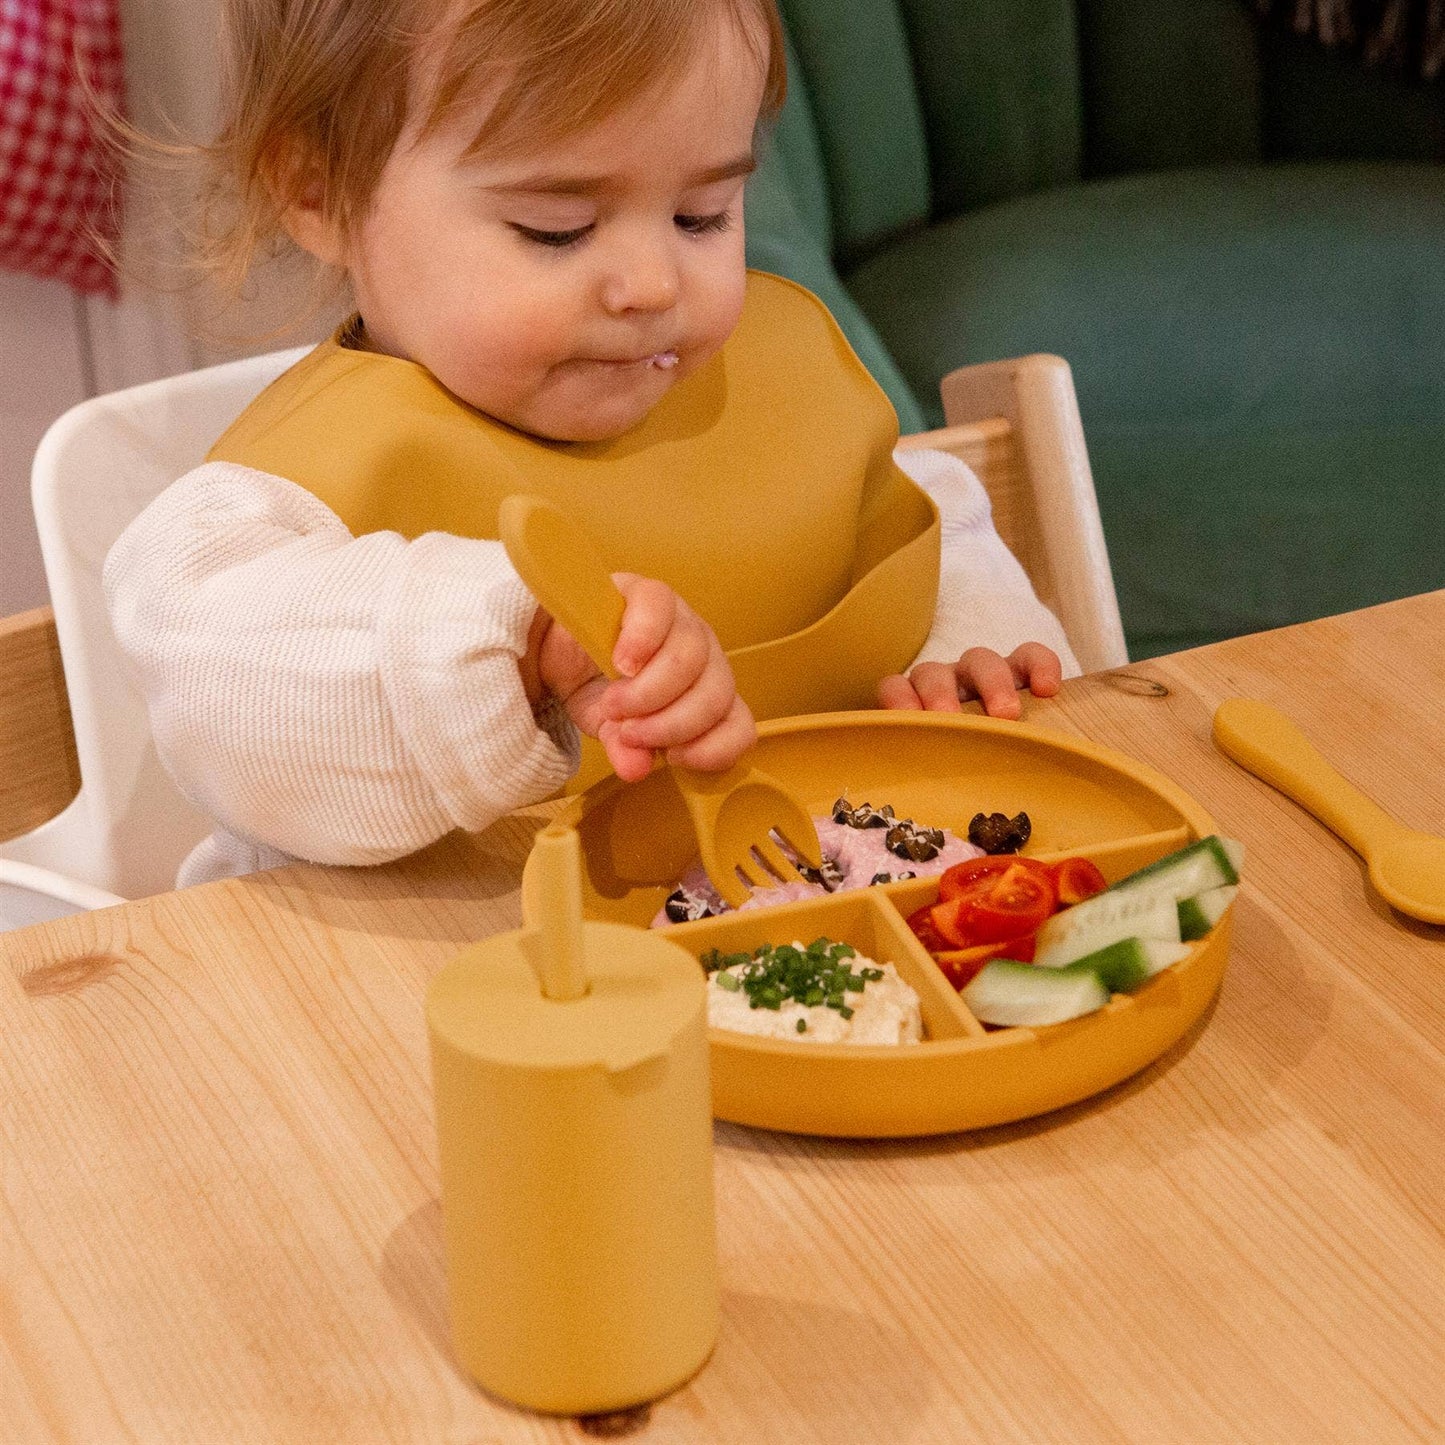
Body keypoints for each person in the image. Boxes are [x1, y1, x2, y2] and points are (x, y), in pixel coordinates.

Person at [104, 0, 1078, 887]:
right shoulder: (266, 508)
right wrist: (510, 648)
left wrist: (960, 648)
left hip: (808, 961)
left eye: (702, 214)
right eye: (557, 229)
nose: (650, 281)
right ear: (316, 190)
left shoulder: (776, 373)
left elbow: (919, 516)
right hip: (427, 1021)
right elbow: (215, 676)